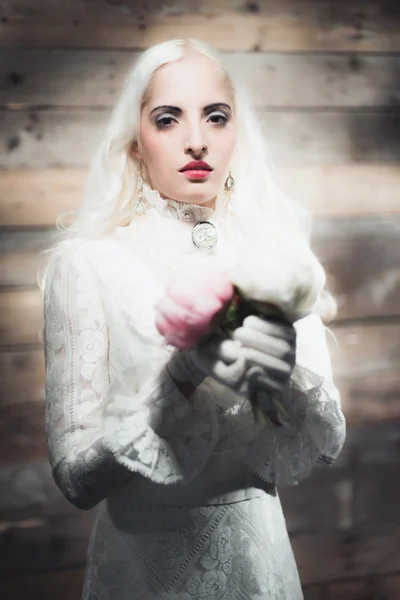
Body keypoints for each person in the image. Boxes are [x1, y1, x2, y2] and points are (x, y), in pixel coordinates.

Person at [41, 38, 346, 600]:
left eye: (215, 116)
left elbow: (326, 444)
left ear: (237, 133)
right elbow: (75, 480)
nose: (197, 140)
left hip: (262, 561)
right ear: (136, 143)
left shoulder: (277, 257)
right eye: (167, 119)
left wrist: (280, 385)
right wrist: (176, 381)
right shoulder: (87, 264)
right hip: (143, 563)